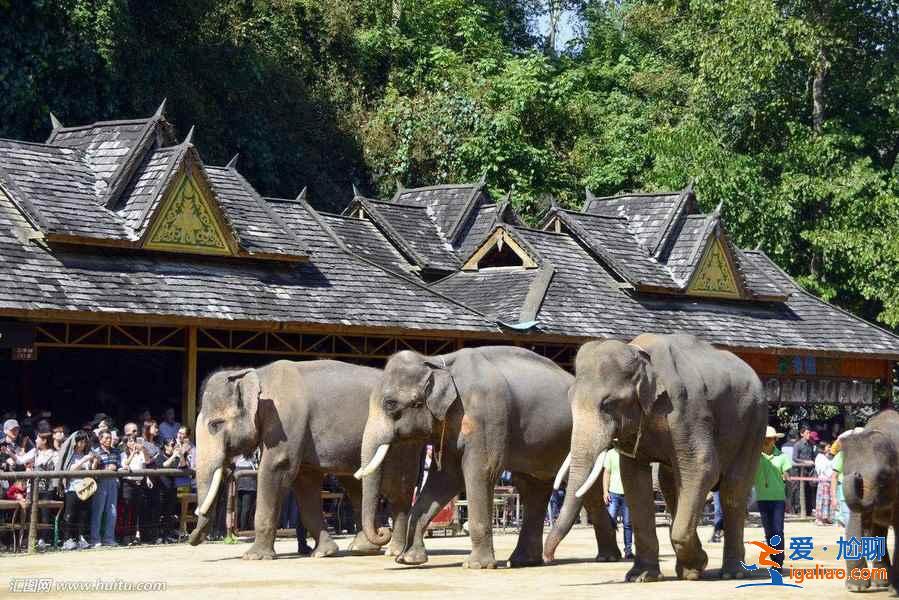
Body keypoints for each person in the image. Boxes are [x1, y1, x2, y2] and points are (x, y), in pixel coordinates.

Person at [753, 425, 792, 570]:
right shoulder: (755, 457)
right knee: (768, 532)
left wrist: (788, 499)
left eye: (770, 439)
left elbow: (788, 479)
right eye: (765, 439)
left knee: (777, 530)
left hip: (778, 499)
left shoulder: (782, 457)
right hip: (762, 498)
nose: (767, 442)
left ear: (774, 440)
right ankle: (773, 557)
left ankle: (778, 561)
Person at [62, 432, 93, 550]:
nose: (82, 444)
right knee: (70, 514)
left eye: (84, 441)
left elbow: (90, 469)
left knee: (83, 514)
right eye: (80, 441)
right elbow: (70, 469)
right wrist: (84, 460)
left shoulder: (86, 454)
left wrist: (93, 460)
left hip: (86, 487)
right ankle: (67, 539)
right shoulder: (71, 454)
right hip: (72, 488)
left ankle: (81, 537)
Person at [89, 430, 120, 547]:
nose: (109, 440)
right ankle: (95, 539)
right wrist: (106, 467)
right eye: (106, 438)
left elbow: (119, 465)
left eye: (110, 438)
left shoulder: (115, 451)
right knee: (98, 510)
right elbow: (92, 469)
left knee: (112, 511)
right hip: (100, 482)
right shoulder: (95, 451)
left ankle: (109, 538)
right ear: (100, 439)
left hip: (112, 481)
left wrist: (115, 467)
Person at [603, 444, 633, 560]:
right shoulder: (610, 454)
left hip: (627, 494)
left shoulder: (629, 452)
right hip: (613, 494)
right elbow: (606, 473)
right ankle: (610, 550)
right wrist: (605, 492)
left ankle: (628, 551)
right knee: (610, 523)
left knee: (627, 524)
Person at [140, 420, 162, 544]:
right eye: (155, 427)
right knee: (146, 507)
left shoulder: (157, 443)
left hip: (157, 478)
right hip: (147, 478)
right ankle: (145, 536)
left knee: (156, 508)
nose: (157, 429)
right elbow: (144, 461)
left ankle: (154, 535)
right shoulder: (144, 443)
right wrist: (147, 476)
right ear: (148, 428)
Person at [790, 426, 817, 516]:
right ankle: (797, 509)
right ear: (802, 434)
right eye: (807, 433)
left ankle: (808, 510)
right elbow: (794, 458)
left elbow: (812, 457)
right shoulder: (797, 445)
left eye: (809, 433)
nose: (809, 435)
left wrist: (812, 463)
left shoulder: (810, 445)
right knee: (797, 490)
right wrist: (805, 462)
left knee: (808, 490)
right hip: (798, 471)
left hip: (808, 471)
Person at [814, 442, 834, 525]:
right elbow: (822, 469)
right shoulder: (820, 457)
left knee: (828, 500)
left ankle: (826, 517)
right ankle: (819, 518)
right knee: (821, 500)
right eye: (828, 447)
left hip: (830, 481)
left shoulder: (829, 457)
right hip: (824, 480)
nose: (829, 448)